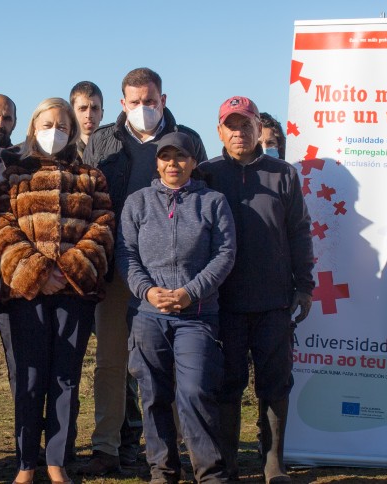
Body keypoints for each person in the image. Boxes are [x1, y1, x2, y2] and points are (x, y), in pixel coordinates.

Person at [81, 67, 208, 476]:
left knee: (170, 362)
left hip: (172, 273)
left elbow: (201, 197)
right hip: (114, 268)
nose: (143, 109)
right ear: (123, 104)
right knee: (112, 360)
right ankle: (107, 445)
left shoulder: (186, 139)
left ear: (163, 100)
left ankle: (174, 448)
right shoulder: (102, 141)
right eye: (135, 103)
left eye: (150, 101)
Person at [0, 97, 116, 484]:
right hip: (26, 295)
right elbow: (4, 227)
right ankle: (26, 462)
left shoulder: (91, 177)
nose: (54, 133)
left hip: (73, 294)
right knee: (28, 379)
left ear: (73, 131)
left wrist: (69, 269)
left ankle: (56, 460)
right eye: (47, 125)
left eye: (62, 126)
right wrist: (36, 272)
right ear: (33, 129)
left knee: (65, 378)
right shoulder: (14, 175)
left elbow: (103, 227)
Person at [199, 96, 313, 484]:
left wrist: (305, 285)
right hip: (223, 302)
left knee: (275, 383)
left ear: (258, 130)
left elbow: (299, 231)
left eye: (245, 125)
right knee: (227, 384)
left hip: (275, 300)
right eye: (230, 126)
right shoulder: (205, 173)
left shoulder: (283, 174)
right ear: (219, 132)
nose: (238, 132)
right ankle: (228, 462)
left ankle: (273, 463)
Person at [119, 132, 236, 484]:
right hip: (148, 315)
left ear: (194, 162)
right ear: (156, 162)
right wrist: (148, 291)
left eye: (181, 157)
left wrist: (190, 292)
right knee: (152, 395)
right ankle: (163, 470)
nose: (173, 163)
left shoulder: (214, 202)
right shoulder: (137, 203)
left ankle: (210, 473)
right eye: (166, 156)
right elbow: (125, 254)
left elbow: (225, 254)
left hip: (196, 317)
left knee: (195, 391)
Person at [69, 81, 104, 161]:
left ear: (102, 114)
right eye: (82, 109)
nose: (89, 115)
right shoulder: (64, 153)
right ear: (72, 114)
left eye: (94, 108)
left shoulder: (114, 151)